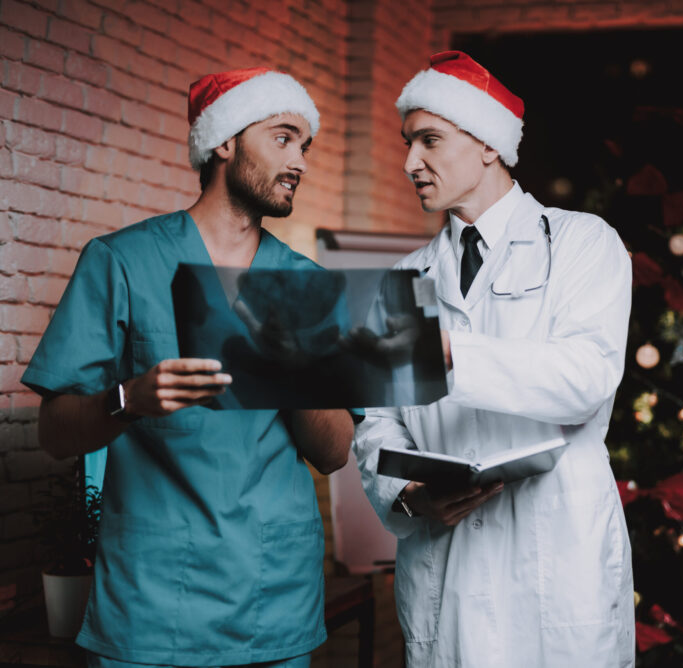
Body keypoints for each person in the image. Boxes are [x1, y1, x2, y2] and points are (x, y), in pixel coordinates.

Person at [21, 67, 355, 667]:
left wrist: (288, 365)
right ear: (224, 142)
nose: (300, 160)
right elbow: (53, 431)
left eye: (305, 146)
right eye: (282, 137)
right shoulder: (120, 262)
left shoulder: (304, 283)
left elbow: (333, 453)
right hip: (153, 599)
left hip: (271, 595)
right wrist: (129, 400)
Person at [354, 51, 636, 667]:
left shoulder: (583, 244)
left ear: (487, 144)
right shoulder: (404, 279)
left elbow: (585, 377)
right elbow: (376, 420)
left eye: (429, 140)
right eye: (408, 143)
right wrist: (410, 496)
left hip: (556, 560)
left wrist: (450, 351)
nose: (410, 163)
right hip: (444, 567)